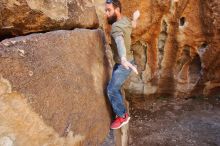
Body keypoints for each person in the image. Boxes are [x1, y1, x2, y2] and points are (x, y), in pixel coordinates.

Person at [105, 0, 140, 129]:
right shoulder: (125, 21)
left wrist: (123, 58)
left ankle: (122, 116)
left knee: (111, 89)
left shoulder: (115, 27)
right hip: (127, 62)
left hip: (124, 64)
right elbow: (133, 25)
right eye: (106, 10)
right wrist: (135, 18)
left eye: (109, 10)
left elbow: (119, 42)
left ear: (117, 10)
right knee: (115, 87)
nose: (106, 14)